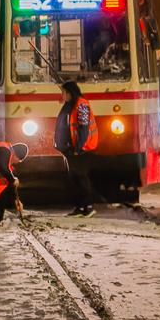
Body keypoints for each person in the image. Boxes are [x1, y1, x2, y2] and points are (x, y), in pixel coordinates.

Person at [54, 80, 99, 217]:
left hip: (82, 149)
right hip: (73, 148)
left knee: (82, 179)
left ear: (69, 92)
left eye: (63, 93)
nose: (62, 96)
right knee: (76, 179)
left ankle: (88, 207)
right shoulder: (72, 104)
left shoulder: (81, 105)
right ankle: (80, 207)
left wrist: (78, 148)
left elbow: (83, 129)